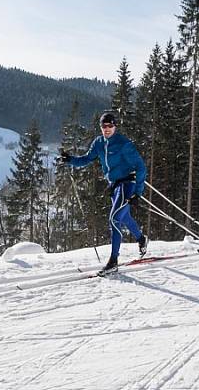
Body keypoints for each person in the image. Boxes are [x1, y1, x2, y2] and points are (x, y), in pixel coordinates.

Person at [60, 112, 147, 273]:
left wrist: (138, 192)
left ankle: (113, 261)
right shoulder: (99, 143)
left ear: (115, 126)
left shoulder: (123, 144)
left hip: (127, 184)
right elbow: (87, 159)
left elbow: (141, 167)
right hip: (114, 185)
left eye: (110, 126)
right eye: (104, 126)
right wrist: (70, 159)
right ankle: (142, 239)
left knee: (114, 219)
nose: (107, 129)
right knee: (124, 217)